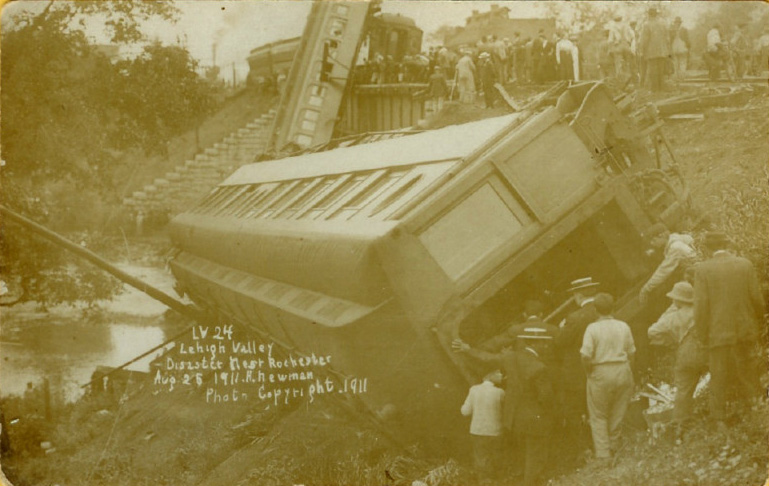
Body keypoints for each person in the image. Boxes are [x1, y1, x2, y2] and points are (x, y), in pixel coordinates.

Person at [454, 329, 557, 486]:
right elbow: (546, 397)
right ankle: (530, 482)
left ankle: (518, 478)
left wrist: (468, 350)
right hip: (535, 417)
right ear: (537, 343)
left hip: (514, 417)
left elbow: (488, 358)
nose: (546, 346)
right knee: (536, 452)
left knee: (523, 449)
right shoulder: (539, 366)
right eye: (544, 343)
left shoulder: (510, 357)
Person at [693, 232, 765, 431]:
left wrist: (702, 334)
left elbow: (701, 307)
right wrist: (756, 323)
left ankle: (720, 421)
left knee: (719, 375)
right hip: (745, 328)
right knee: (749, 370)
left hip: (717, 333)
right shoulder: (745, 264)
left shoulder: (702, 270)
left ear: (707, 249)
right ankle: (757, 409)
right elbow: (757, 299)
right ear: (727, 244)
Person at [580, 293, 636, 465]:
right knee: (618, 412)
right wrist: (628, 371)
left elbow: (585, 356)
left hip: (600, 371)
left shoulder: (592, 328)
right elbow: (632, 352)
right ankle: (615, 446)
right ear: (613, 307)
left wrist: (589, 372)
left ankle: (604, 456)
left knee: (598, 414)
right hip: (622, 369)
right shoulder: (623, 326)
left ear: (595, 310)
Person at [647, 281, 707, 434]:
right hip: (707, 351)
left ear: (677, 300)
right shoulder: (701, 310)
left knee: (683, 391)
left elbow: (652, 332)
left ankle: (679, 427)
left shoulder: (671, 317)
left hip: (685, 353)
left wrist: (670, 340)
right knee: (716, 383)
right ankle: (714, 419)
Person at [553, 277, 600, 467]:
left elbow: (559, 342)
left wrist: (561, 327)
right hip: (599, 366)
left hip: (577, 372)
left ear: (578, 295)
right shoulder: (601, 309)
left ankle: (587, 449)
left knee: (575, 410)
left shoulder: (574, 318)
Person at [639, 223, 696, 307]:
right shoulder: (678, 240)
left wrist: (646, 289)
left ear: (661, 235)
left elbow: (663, 271)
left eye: (653, 240)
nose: (652, 243)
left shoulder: (675, 247)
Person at [461, 369, 505, 477]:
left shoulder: (474, 390)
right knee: (496, 459)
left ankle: (483, 481)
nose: (501, 375)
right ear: (489, 375)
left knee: (481, 459)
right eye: (498, 373)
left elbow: (465, 412)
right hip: (495, 432)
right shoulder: (500, 392)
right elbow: (505, 412)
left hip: (478, 430)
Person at [639, 8, 670, 92]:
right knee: (661, 70)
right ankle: (661, 89)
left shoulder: (647, 24)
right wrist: (667, 49)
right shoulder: (663, 23)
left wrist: (642, 50)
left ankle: (654, 90)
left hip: (651, 51)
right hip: (662, 51)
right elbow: (667, 38)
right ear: (656, 14)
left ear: (649, 14)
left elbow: (644, 39)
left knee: (653, 71)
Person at [669, 17, 690, 81]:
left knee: (675, 63)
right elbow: (687, 40)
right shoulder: (684, 30)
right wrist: (688, 47)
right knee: (682, 63)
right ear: (680, 23)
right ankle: (682, 78)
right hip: (682, 48)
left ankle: (676, 78)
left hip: (674, 47)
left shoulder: (671, 30)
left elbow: (670, 40)